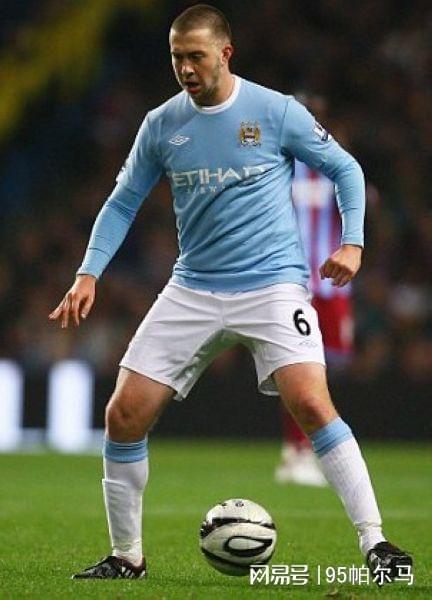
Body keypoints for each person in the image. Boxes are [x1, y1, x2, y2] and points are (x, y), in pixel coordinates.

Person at [49, 4, 412, 582]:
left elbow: (346, 169)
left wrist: (353, 243)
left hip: (272, 285)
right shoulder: (161, 125)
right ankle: (126, 556)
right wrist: (88, 271)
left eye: (195, 56)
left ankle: (377, 544)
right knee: (123, 414)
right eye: (176, 58)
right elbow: (122, 203)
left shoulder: (274, 111)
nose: (185, 69)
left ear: (225, 53)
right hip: (192, 287)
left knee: (312, 403)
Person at [275, 149, 355, 487]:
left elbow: (363, 206)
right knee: (299, 366)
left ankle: (309, 446)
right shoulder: (279, 166)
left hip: (333, 288)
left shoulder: (336, 167)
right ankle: (297, 450)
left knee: (332, 367)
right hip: (294, 281)